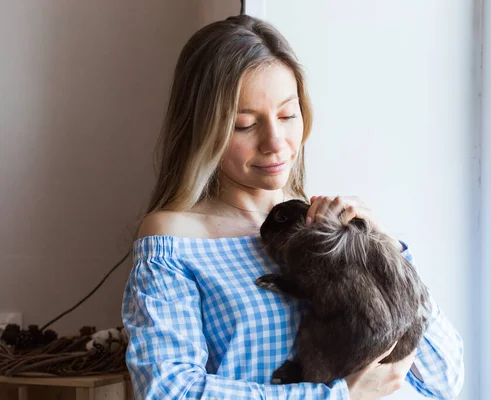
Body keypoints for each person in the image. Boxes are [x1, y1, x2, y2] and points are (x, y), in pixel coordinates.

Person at [121, 14, 464, 399]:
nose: (276, 142)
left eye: (287, 115)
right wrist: (339, 395)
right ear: (204, 129)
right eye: (245, 125)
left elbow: (441, 379)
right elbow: (170, 391)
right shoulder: (173, 239)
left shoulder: (327, 232)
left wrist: (386, 251)